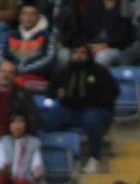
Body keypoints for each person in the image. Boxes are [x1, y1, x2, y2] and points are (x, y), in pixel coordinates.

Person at [45, 44, 117, 174]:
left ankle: (94, 158)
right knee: (49, 118)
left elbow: (112, 93)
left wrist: (94, 101)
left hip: (95, 108)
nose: (78, 55)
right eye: (75, 52)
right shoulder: (64, 71)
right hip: (70, 109)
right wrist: (57, 94)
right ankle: (52, 156)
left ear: (88, 55)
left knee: (92, 119)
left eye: (82, 52)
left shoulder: (100, 71)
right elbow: (50, 92)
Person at [0, 1, 57, 92]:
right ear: (20, 17)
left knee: (13, 84)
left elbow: (48, 59)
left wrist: (23, 70)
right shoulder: (11, 35)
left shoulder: (47, 37)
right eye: (25, 14)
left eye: (32, 14)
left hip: (38, 80)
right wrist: (10, 69)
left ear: (38, 17)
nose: (28, 17)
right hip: (12, 76)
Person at [0, 61, 42, 146]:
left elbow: (34, 120)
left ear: (15, 76)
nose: (5, 75)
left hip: (13, 136)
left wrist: (15, 129)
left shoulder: (23, 94)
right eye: (2, 71)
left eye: (10, 73)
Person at [83, 0, 132, 67]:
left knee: (102, 57)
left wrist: (105, 45)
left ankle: (102, 77)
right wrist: (90, 45)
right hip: (93, 45)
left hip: (115, 47)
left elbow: (124, 35)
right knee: (78, 54)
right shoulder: (94, 5)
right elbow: (85, 30)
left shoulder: (124, 6)